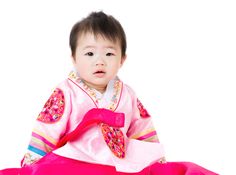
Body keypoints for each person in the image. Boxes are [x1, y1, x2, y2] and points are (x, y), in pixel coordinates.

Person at [0, 11, 218, 175]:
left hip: (118, 160)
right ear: (74, 59)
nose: (100, 61)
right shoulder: (66, 92)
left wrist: (155, 158)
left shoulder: (127, 94)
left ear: (122, 59)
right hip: (77, 159)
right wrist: (33, 160)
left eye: (109, 53)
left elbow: (142, 127)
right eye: (89, 53)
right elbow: (48, 127)